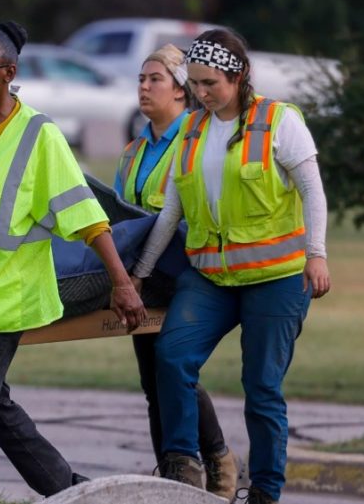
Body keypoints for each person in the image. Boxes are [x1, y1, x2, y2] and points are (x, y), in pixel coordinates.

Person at [0, 21, 146, 504]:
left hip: (4, 297)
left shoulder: (37, 136)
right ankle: (66, 491)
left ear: (8, 74)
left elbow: (87, 217)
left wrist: (122, 284)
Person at [130, 29, 331, 504]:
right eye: (194, 83)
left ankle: (264, 491)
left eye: (210, 83)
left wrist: (317, 253)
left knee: (261, 387)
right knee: (172, 356)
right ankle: (182, 468)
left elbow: (313, 192)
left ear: (238, 76)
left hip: (276, 278)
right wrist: (138, 273)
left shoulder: (278, 121)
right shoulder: (192, 131)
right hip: (212, 278)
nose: (200, 94)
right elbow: (172, 213)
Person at [114, 44, 237, 498]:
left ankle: (215, 461)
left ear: (182, 92)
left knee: (172, 370)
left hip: (187, 270)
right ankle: (173, 469)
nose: (144, 87)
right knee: (154, 378)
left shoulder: (200, 141)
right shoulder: (133, 149)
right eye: (141, 80)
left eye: (155, 80)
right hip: (143, 276)